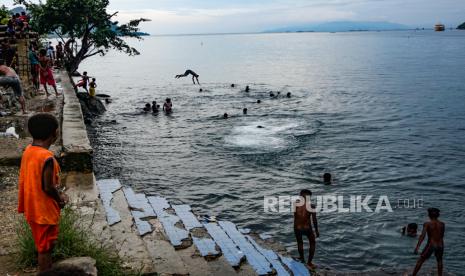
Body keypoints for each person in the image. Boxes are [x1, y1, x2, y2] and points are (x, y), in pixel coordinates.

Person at [18, 113, 69, 272]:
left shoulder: (29, 150)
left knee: (42, 244)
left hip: (33, 207)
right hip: (44, 211)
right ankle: (45, 271)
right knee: (46, 248)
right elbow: (48, 187)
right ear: (54, 134)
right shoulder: (47, 158)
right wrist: (60, 197)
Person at [412, 208, 445, 276]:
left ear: (429, 215)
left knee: (420, 260)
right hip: (441, 245)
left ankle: (413, 275)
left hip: (431, 245)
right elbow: (441, 236)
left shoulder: (427, 224)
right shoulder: (442, 224)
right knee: (439, 261)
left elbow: (422, 236)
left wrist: (417, 247)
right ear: (438, 215)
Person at [294, 189, 319, 269]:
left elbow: (296, 216)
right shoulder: (311, 206)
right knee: (312, 243)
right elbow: (314, 220)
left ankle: (302, 258)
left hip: (297, 227)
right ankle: (309, 263)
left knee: (300, 242)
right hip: (307, 228)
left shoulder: (295, 204)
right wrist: (316, 230)